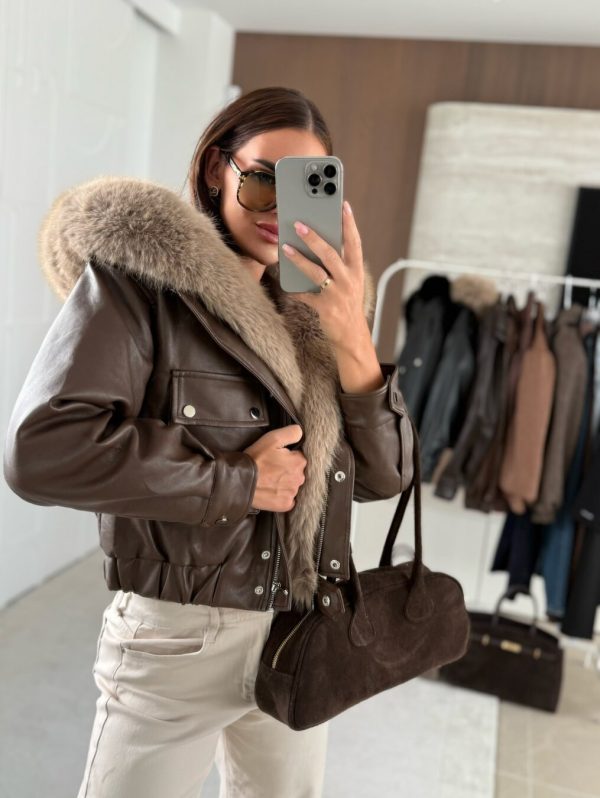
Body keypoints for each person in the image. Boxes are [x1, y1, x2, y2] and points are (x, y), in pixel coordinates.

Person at [3, 86, 412, 797]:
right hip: (176, 642)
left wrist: (352, 336)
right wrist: (238, 482)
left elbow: (385, 477)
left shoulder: (315, 316)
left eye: (304, 186)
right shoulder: (139, 287)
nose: (279, 208)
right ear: (218, 169)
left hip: (299, 630)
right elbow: (41, 451)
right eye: (262, 180)